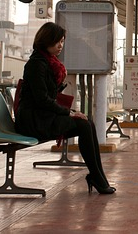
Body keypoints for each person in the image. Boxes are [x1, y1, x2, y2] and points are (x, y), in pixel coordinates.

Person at [14, 22, 115, 194]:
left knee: (88, 124)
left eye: (62, 41)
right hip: (33, 120)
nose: (60, 45)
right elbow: (42, 100)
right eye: (57, 41)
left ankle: (98, 176)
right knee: (83, 125)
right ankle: (97, 177)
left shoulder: (47, 62)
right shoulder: (36, 64)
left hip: (42, 116)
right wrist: (69, 112)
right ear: (46, 40)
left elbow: (47, 97)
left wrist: (60, 87)